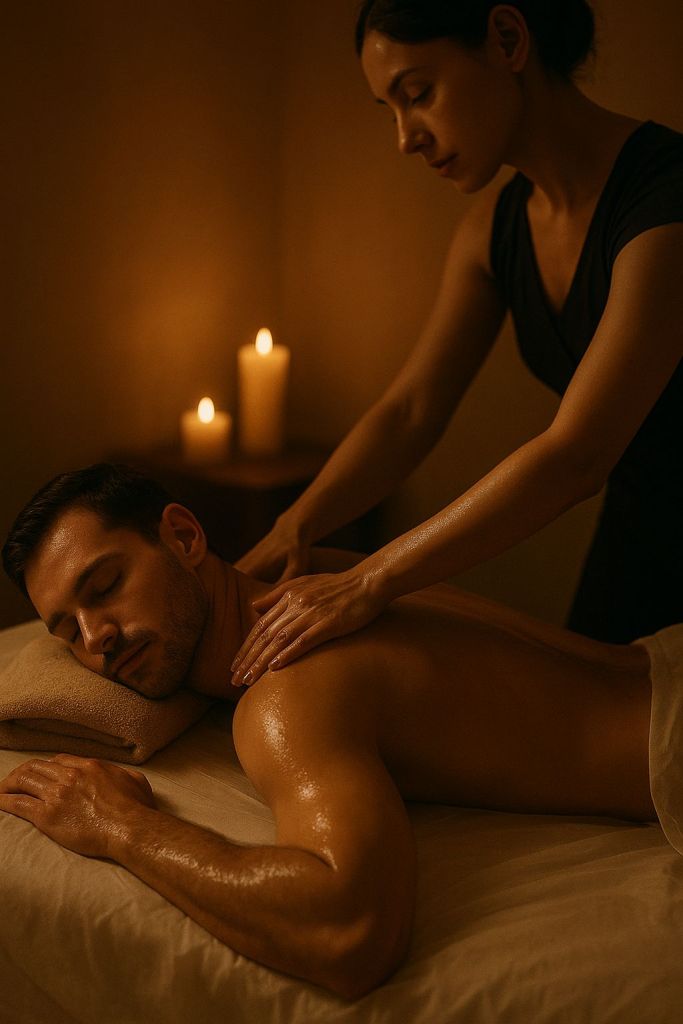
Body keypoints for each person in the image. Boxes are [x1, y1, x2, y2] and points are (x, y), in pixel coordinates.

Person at [1, 463, 680, 998]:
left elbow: (350, 931)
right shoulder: (318, 572)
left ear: (183, 537)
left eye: (106, 585)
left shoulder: (286, 695)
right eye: (67, 633)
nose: (97, 638)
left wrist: (122, 827)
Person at [230, 0, 683, 690]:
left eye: (417, 94)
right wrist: (293, 529)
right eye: (389, 109)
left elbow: (577, 454)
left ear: (506, 38)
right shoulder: (493, 230)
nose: (404, 138)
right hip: (638, 536)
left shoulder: (667, 202)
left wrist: (370, 578)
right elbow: (411, 411)